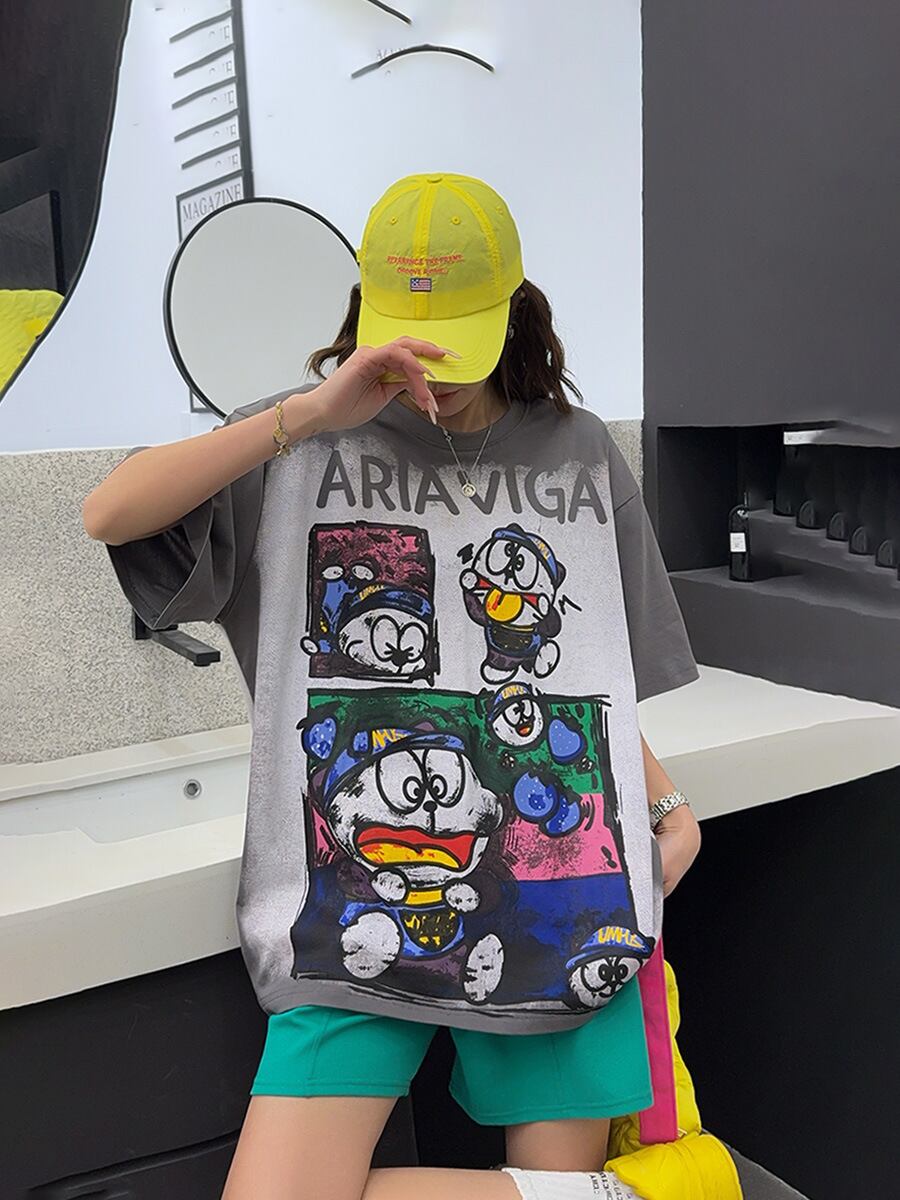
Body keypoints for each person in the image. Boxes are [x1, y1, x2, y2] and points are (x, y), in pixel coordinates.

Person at [84, 172, 703, 1200]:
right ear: (366, 311)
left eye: (461, 337)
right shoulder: (296, 442)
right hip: (348, 901)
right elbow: (110, 513)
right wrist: (308, 412)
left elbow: (578, 672)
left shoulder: (579, 453)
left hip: (553, 901)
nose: (438, 372)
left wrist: (669, 807)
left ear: (513, 310)